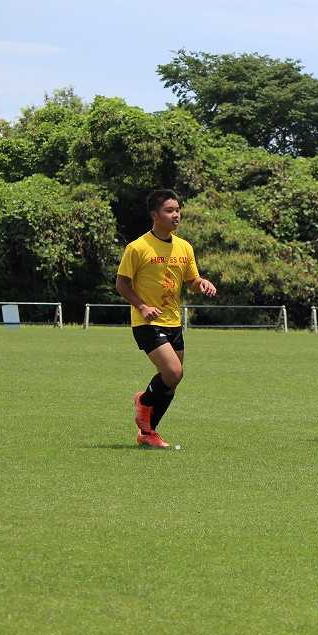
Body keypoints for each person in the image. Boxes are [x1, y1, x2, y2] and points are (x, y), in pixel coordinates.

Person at [116, 189, 217, 448]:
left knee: (172, 381)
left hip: (173, 321)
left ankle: (148, 433)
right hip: (147, 322)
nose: (176, 215)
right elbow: (122, 284)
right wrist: (142, 306)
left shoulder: (184, 247)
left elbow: (191, 280)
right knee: (173, 372)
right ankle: (143, 402)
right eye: (169, 210)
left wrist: (202, 283)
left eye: (178, 210)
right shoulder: (137, 247)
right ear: (155, 215)